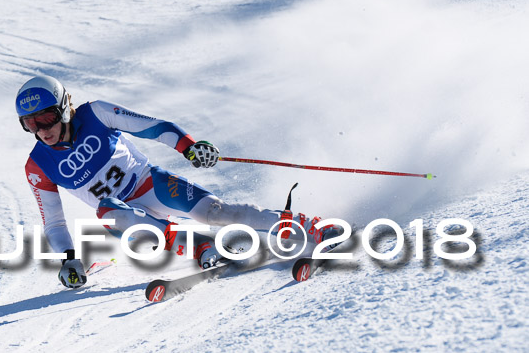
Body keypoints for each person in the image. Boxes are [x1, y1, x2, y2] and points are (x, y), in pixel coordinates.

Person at [17, 75, 333, 288]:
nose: (41, 129)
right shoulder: (38, 165)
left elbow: (153, 127)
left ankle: (312, 227)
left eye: (46, 118)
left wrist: (189, 147)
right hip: (125, 217)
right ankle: (202, 248)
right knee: (108, 212)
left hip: (152, 184)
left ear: (63, 109)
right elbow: (54, 223)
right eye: (30, 123)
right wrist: (69, 259)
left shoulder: (96, 113)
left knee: (219, 213)